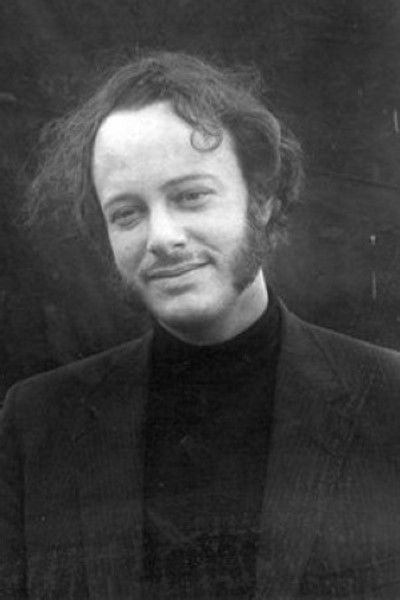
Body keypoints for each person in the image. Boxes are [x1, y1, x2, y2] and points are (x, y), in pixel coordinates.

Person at [1, 50, 400, 600]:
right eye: (127, 213)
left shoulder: (389, 399)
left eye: (191, 197)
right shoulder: (35, 424)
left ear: (261, 200)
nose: (162, 237)